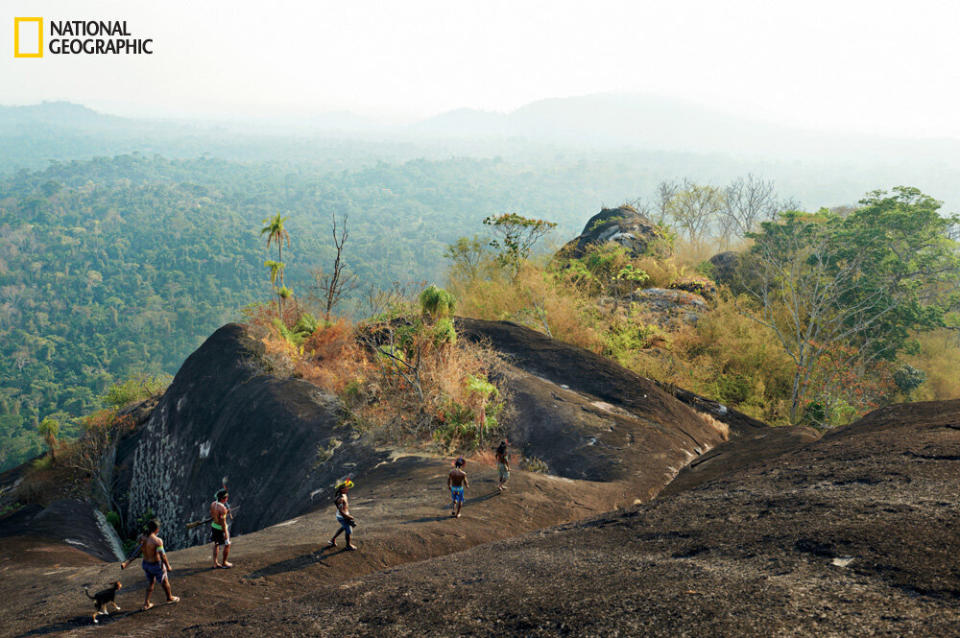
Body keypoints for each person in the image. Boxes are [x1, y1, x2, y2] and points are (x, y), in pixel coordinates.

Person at [139, 519, 179, 610]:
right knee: (165, 581)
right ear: (156, 529)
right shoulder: (157, 541)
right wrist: (168, 566)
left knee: (150, 582)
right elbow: (163, 555)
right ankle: (169, 597)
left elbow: (141, 548)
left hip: (146, 564)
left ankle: (146, 603)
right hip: (155, 565)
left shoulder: (142, 537)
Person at [327, 479, 357, 550]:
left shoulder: (344, 495)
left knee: (344, 527)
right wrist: (348, 517)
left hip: (344, 515)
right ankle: (348, 545)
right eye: (346, 488)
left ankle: (332, 540)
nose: (348, 488)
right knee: (349, 530)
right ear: (342, 489)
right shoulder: (340, 499)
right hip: (342, 516)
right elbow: (341, 511)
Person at [210, 488, 233, 568]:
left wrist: (225, 512)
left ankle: (215, 563)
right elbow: (223, 522)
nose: (227, 499)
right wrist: (226, 533)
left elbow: (214, 515)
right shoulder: (222, 509)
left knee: (216, 544)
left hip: (214, 526)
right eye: (227, 497)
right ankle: (224, 562)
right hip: (220, 528)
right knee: (227, 544)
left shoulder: (213, 504)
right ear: (224, 498)